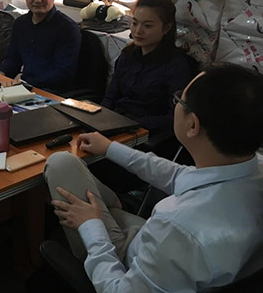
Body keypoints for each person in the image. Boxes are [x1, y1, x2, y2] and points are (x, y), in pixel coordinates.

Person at [44, 63, 263, 292]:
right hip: (161, 252)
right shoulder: (253, 167)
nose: (176, 104)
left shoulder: (178, 228)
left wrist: (91, 226)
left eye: (179, 99)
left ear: (193, 124)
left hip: (131, 268)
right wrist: (110, 148)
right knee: (68, 165)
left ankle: (101, 212)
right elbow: (177, 175)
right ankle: (109, 206)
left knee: (60, 163)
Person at [101, 0, 193, 137]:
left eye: (147, 26)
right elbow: (110, 97)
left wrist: (130, 124)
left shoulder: (175, 64)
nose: (138, 31)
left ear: (166, 28)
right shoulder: (127, 54)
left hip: (144, 133)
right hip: (114, 123)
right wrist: (99, 119)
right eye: (134, 23)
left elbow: (174, 117)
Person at [0, 0, 81, 92]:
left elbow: (63, 73)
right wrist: (0, 75)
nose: (38, 0)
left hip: (53, 92)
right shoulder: (20, 24)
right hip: (25, 89)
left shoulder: (67, 28)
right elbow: (12, 60)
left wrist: (26, 84)